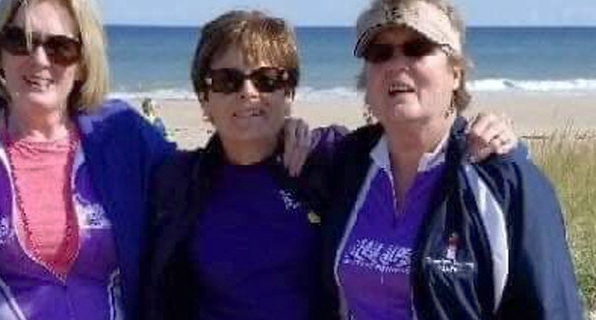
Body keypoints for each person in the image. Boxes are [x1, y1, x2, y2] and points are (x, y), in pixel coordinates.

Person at [143, 9, 520, 320]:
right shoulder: (175, 181)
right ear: (204, 99)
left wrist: (492, 133)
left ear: (289, 95)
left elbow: (420, 135)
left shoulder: (329, 161)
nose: (248, 92)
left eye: (267, 79)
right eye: (227, 80)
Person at [315, 0, 584, 319]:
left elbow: (552, 308)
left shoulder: (502, 179)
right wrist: (287, 130)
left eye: (417, 48)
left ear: (455, 73)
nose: (396, 64)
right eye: (380, 53)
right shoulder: (346, 163)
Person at [0, 0, 174, 318]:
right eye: (20, 41)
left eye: (60, 47)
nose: (39, 60)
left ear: (84, 62)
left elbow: (204, 189)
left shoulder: (124, 136)